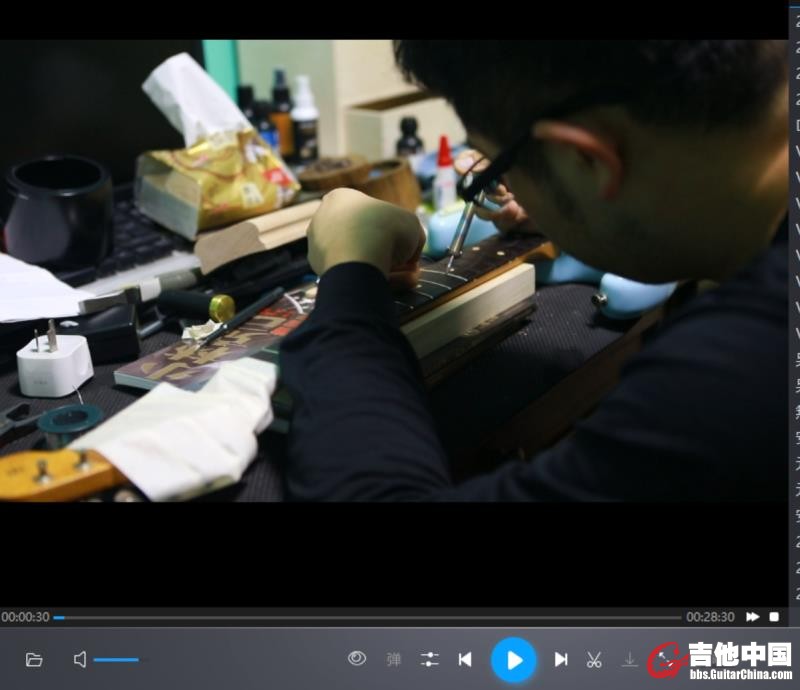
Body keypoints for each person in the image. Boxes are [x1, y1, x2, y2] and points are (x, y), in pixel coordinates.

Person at [280, 41, 788, 501]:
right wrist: (571, 203)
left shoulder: (734, 379)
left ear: (586, 160)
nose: (505, 188)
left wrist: (349, 273)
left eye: (498, 166)